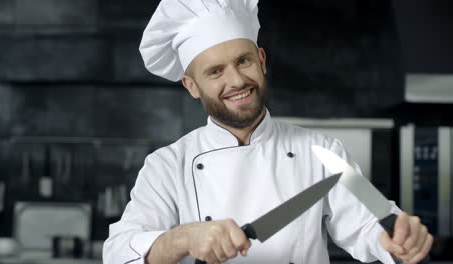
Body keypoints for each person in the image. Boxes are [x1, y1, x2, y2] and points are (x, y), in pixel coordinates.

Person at [103, 0, 433, 263]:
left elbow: (369, 221)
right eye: (216, 71)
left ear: (261, 60)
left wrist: (399, 237)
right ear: (191, 85)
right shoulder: (167, 165)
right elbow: (118, 252)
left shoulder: (322, 150)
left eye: (243, 61)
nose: (236, 81)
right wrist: (184, 238)